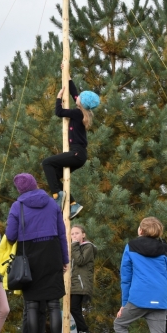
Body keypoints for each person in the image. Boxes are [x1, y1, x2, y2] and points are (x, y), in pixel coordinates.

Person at [6, 173, 69, 333]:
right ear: (35, 184)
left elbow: (11, 236)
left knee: (32, 303)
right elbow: (62, 233)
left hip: (29, 255)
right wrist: (64, 259)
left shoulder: (17, 206)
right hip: (52, 252)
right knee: (54, 303)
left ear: (19, 189)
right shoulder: (51, 203)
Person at [42, 66, 100, 219]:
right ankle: (73, 204)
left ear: (81, 102)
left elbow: (59, 112)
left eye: (80, 96)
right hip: (78, 154)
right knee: (54, 174)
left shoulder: (76, 113)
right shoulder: (82, 110)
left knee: (46, 163)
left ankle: (57, 197)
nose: (77, 96)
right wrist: (67, 75)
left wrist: (59, 97)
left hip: (76, 153)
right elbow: (74, 92)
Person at [114, 217, 167, 333]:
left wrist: (124, 304)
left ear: (140, 230)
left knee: (119, 325)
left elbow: (126, 278)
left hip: (138, 298)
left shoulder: (131, 246)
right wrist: (166, 299)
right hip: (160, 298)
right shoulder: (164, 248)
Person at [70, 224, 97, 333]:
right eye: (72, 234)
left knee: (74, 308)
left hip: (81, 283)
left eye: (77, 233)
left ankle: (84, 332)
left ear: (83, 235)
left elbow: (80, 260)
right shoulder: (73, 247)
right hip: (73, 283)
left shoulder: (88, 247)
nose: (74, 236)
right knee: (73, 309)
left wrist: (75, 245)